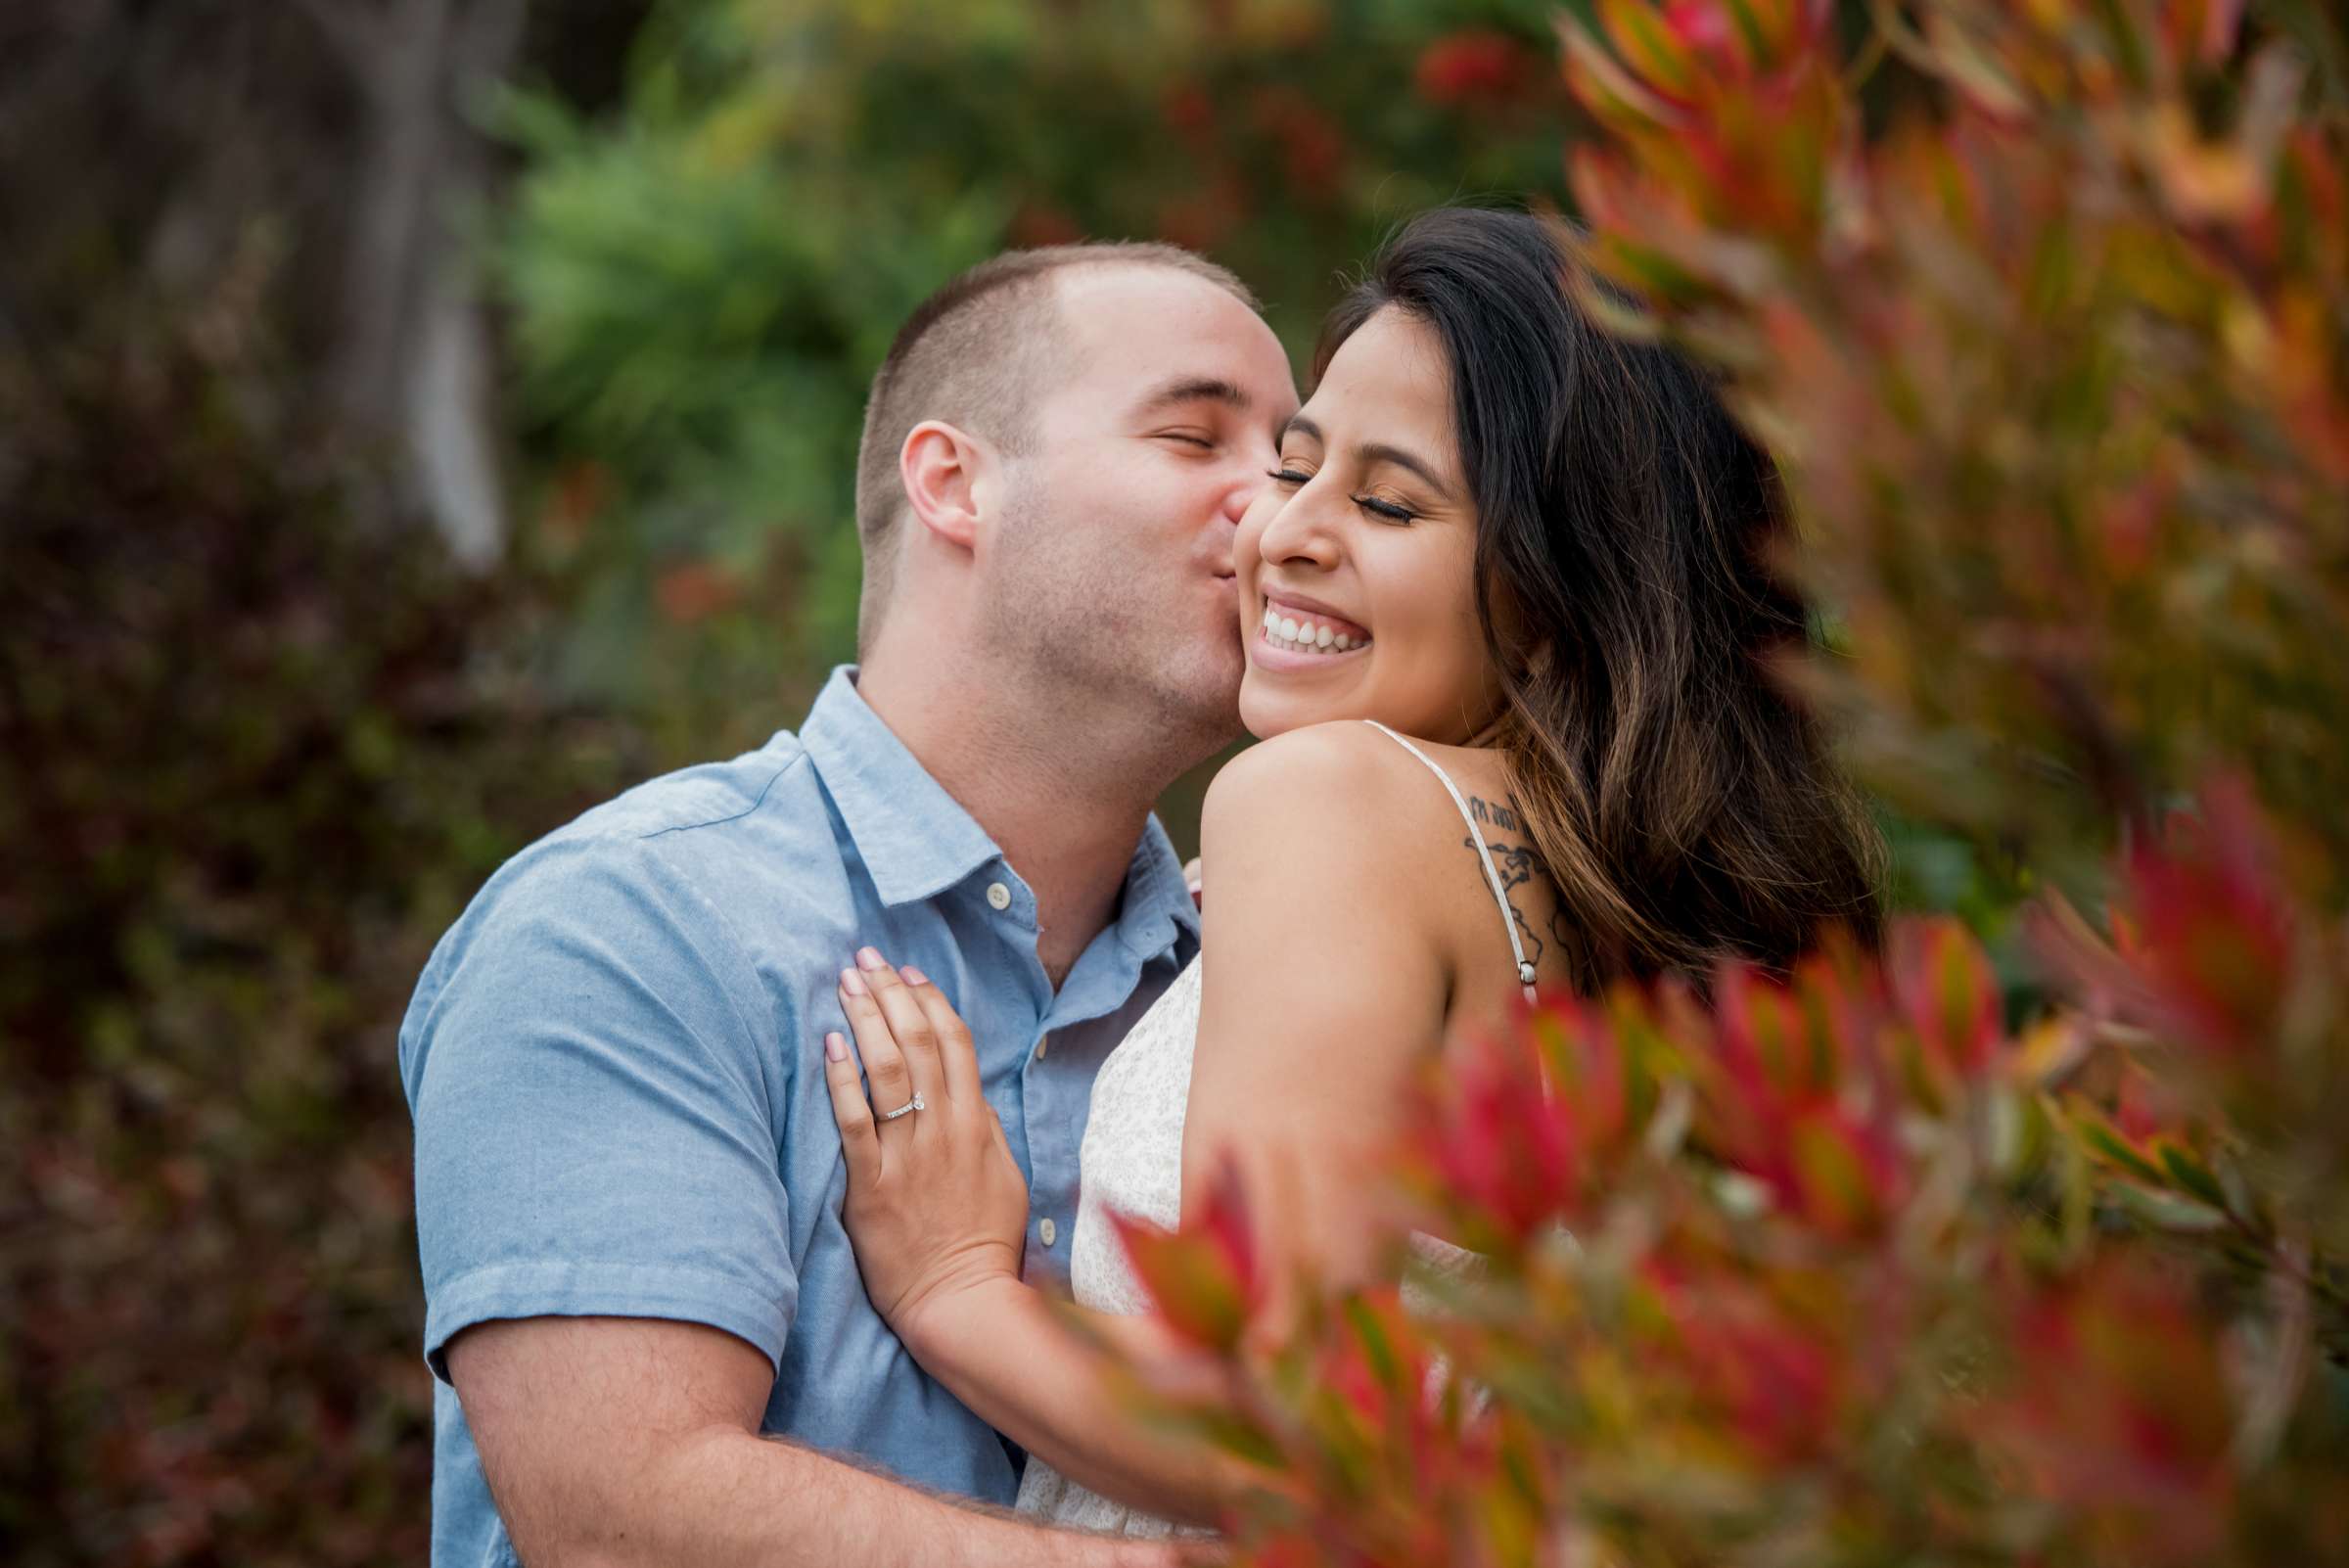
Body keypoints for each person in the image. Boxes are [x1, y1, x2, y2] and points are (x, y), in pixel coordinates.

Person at [818, 206, 1887, 1537]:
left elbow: (1294, 1440)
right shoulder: (1626, 908)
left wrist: (961, 1294)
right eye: (1298, 466)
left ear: (1560, 599)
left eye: (1388, 502)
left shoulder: (1328, 804)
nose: (1283, 534)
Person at [397, 241, 1299, 1567]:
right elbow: (620, 1521)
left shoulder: (1260, 981)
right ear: (954, 481)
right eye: (1194, 435)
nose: (1280, 509)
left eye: (1293, 457)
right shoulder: (629, 926)